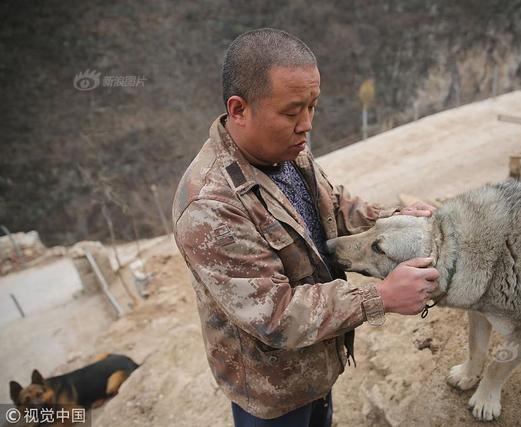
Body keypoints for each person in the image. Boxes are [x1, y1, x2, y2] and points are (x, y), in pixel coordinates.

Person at [172, 28, 440, 427]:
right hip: (274, 391)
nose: (307, 125)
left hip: (317, 362)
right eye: (292, 111)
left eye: (313, 107)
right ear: (239, 109)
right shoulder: (209, 204)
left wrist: (391, 219)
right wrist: (380, 296)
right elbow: (275, 316)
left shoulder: (286, 148)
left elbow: (332, 205)